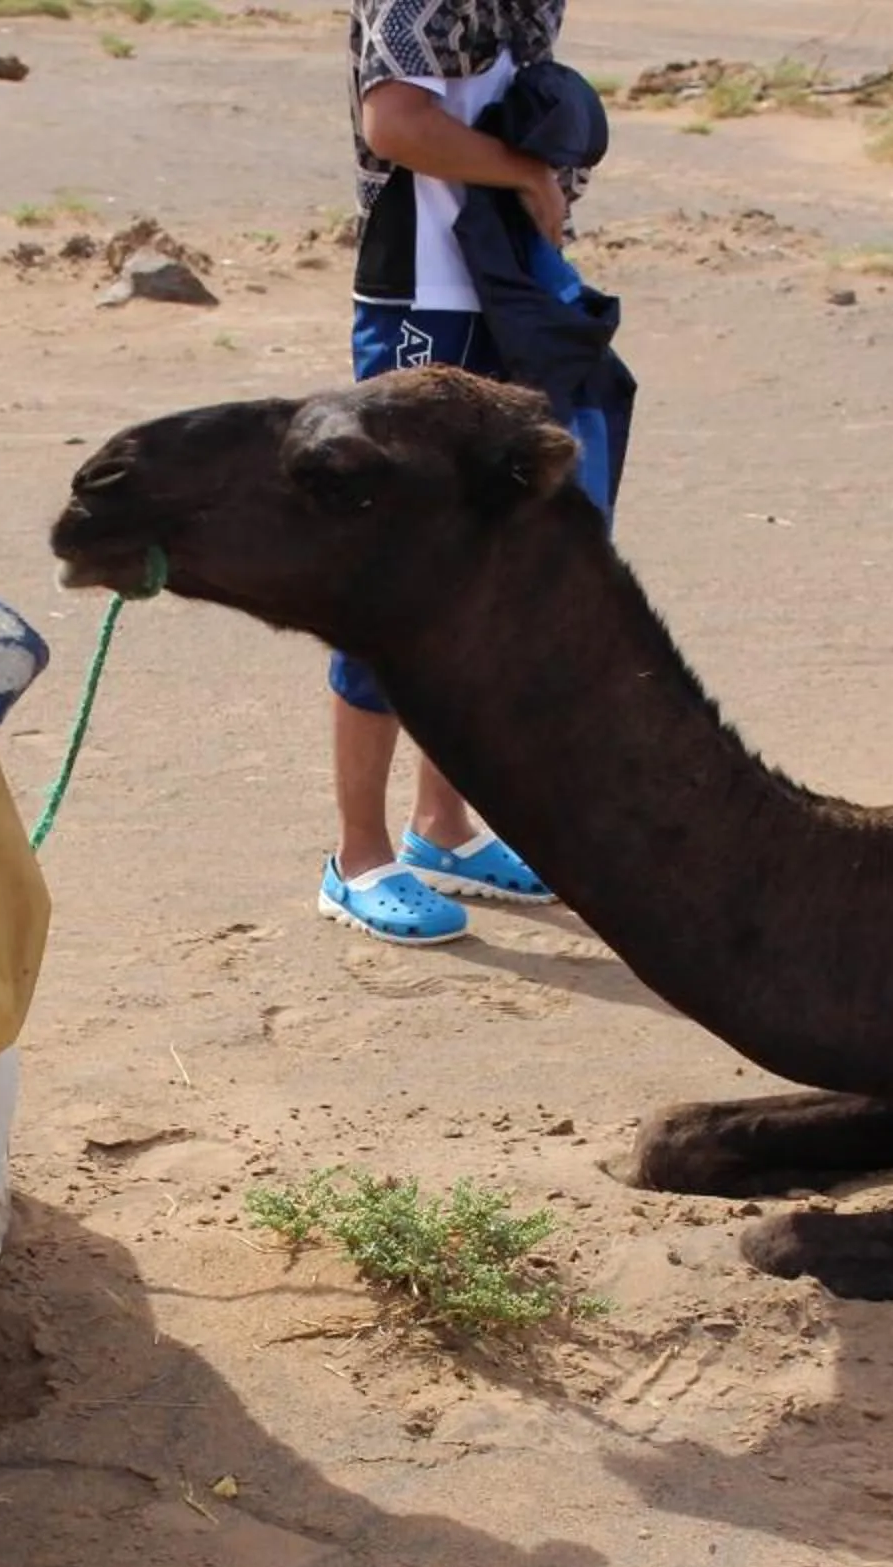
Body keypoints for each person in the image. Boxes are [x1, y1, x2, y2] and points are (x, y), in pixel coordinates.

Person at [321, 0, 622, 946]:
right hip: (421, 297)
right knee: (395, 573)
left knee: (491, 569)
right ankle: (357, 857)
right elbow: (395, 122)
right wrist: (524, 171)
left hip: (509, 289)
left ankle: (443, 825)